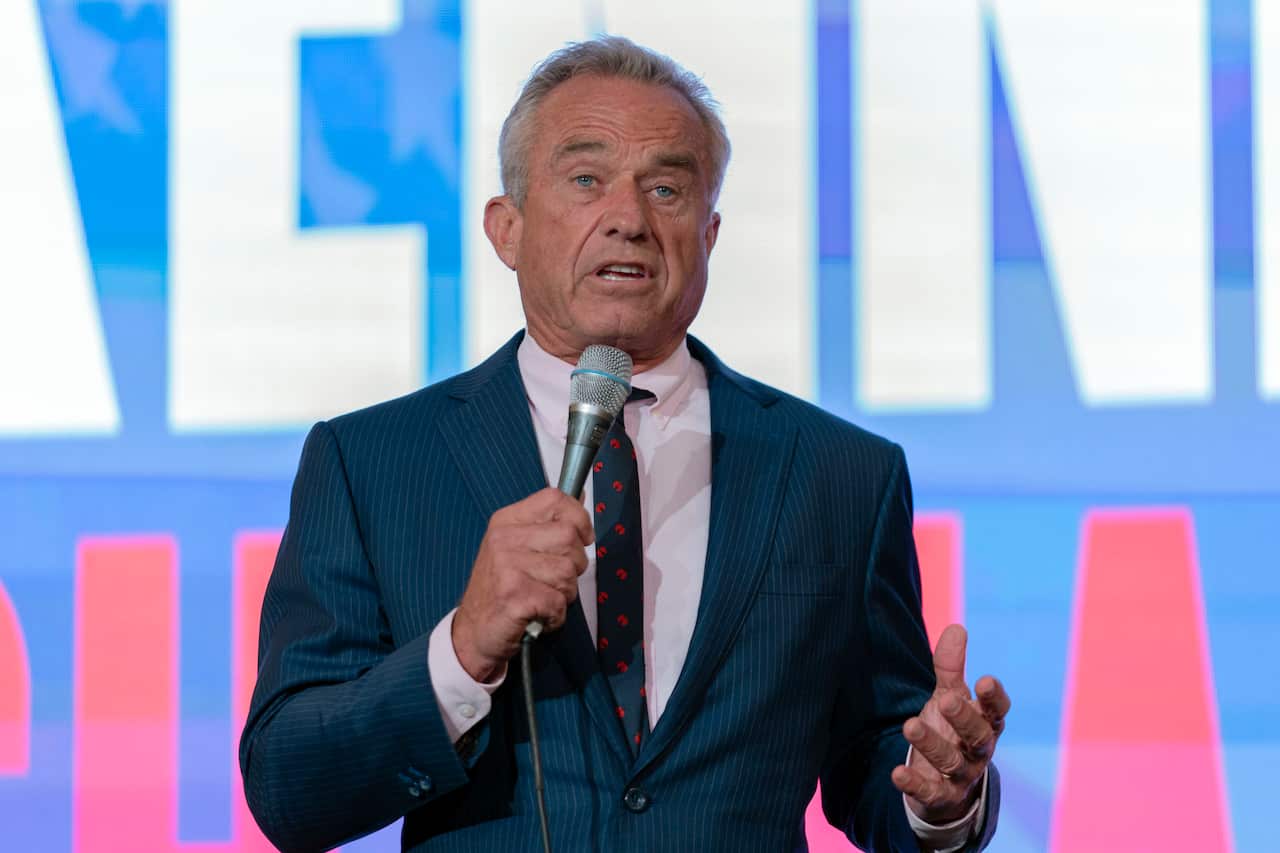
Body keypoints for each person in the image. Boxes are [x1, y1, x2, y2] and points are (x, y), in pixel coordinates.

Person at [240, 36, 1009, 852]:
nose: (630, 219)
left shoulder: (840, 473)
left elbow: (876, 758)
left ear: (709, 236)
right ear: (507, 228)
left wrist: (941, 797)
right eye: (584, 179)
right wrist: (462, 648)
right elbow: (290, 786)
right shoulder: (373, 464)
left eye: (667, 188)